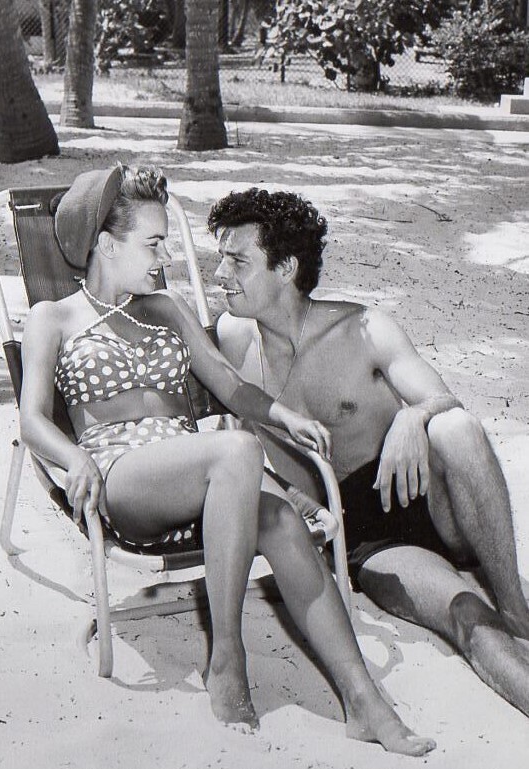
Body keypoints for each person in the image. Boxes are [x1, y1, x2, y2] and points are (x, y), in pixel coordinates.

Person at [19, 164, 434, 755]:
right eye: (152, 243)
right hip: (121, 477)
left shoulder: (166, 307)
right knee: (238, 450)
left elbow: (230, 387)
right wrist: (73, 458)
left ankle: (364, 700)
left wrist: (285, 417)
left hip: (207, 475)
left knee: (283, 520)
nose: (164, 256)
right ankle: (227, 655)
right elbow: (32, 419)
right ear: (108, 246)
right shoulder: (53, 318)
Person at [211, 186, 529, 718]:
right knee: (468, 616)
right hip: (367, 534)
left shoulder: (362, 329)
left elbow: (444, 398)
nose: (220, 273)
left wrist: (412, 416)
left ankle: (516, 608)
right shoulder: (230, 338)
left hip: (430, 495)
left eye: (237, 261)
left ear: (286, 268)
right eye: (220, 257)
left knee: (454, 428)